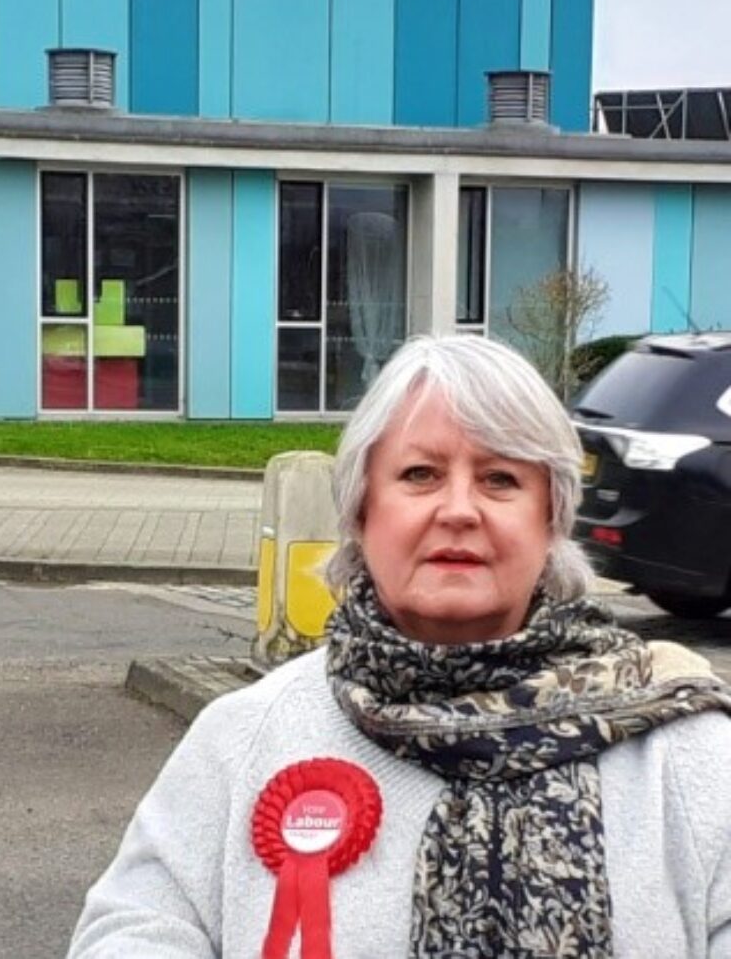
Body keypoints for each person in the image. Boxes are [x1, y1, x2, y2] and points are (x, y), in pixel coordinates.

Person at [70, 334, 731, 958]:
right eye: (420, 474)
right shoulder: (243, 737)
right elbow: (135, 926)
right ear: (361, 511)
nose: (459, 509)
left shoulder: (682, 749)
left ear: (551, 516)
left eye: (501, 478)